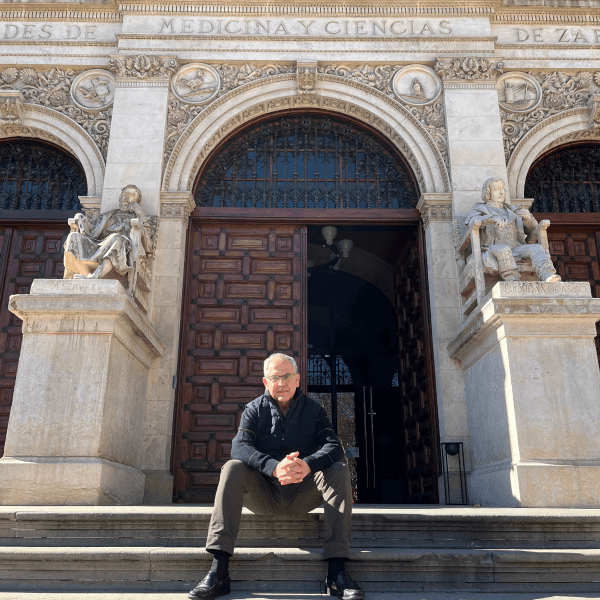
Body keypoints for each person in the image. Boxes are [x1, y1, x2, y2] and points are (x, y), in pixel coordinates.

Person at [189, 353, 365, 600]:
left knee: (338, 469)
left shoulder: (314, 410)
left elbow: (333, 446)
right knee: (232, 467)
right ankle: (219, 570)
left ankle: (336, 572)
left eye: (286, 376)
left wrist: (307, 464)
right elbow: (240, 447)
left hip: (302, 494)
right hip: (264, 495)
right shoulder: (253, 409)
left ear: (297, 380)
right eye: (274, 377)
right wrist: (273, 466)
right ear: (265, 382)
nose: (280, 382)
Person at [465, 177, 561, 282]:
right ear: (488, 193)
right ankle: (513, 280)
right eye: (497, 190)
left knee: (537, 248)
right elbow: (473, 222)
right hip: (492, 248)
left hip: (515, 248)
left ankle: (547, 275)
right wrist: (490, 219)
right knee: (504, 249)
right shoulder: (480, 209)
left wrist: (528, 218)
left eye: (503, 189)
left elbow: (533, 229)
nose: (501, 192)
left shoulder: (513, 210)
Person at [63, 184, 152, 281]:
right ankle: (78, 275)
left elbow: (148, 245)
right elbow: (93, 228)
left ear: (137, 201)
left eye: (131, 195)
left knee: (117, 238)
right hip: (101, 243)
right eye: (124, 194)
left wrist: (139, 212)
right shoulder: (111, 214)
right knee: (73, 236)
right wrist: (81, 219)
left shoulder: (138, 218)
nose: (125, 198)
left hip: (122, 247)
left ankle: (95, 276)